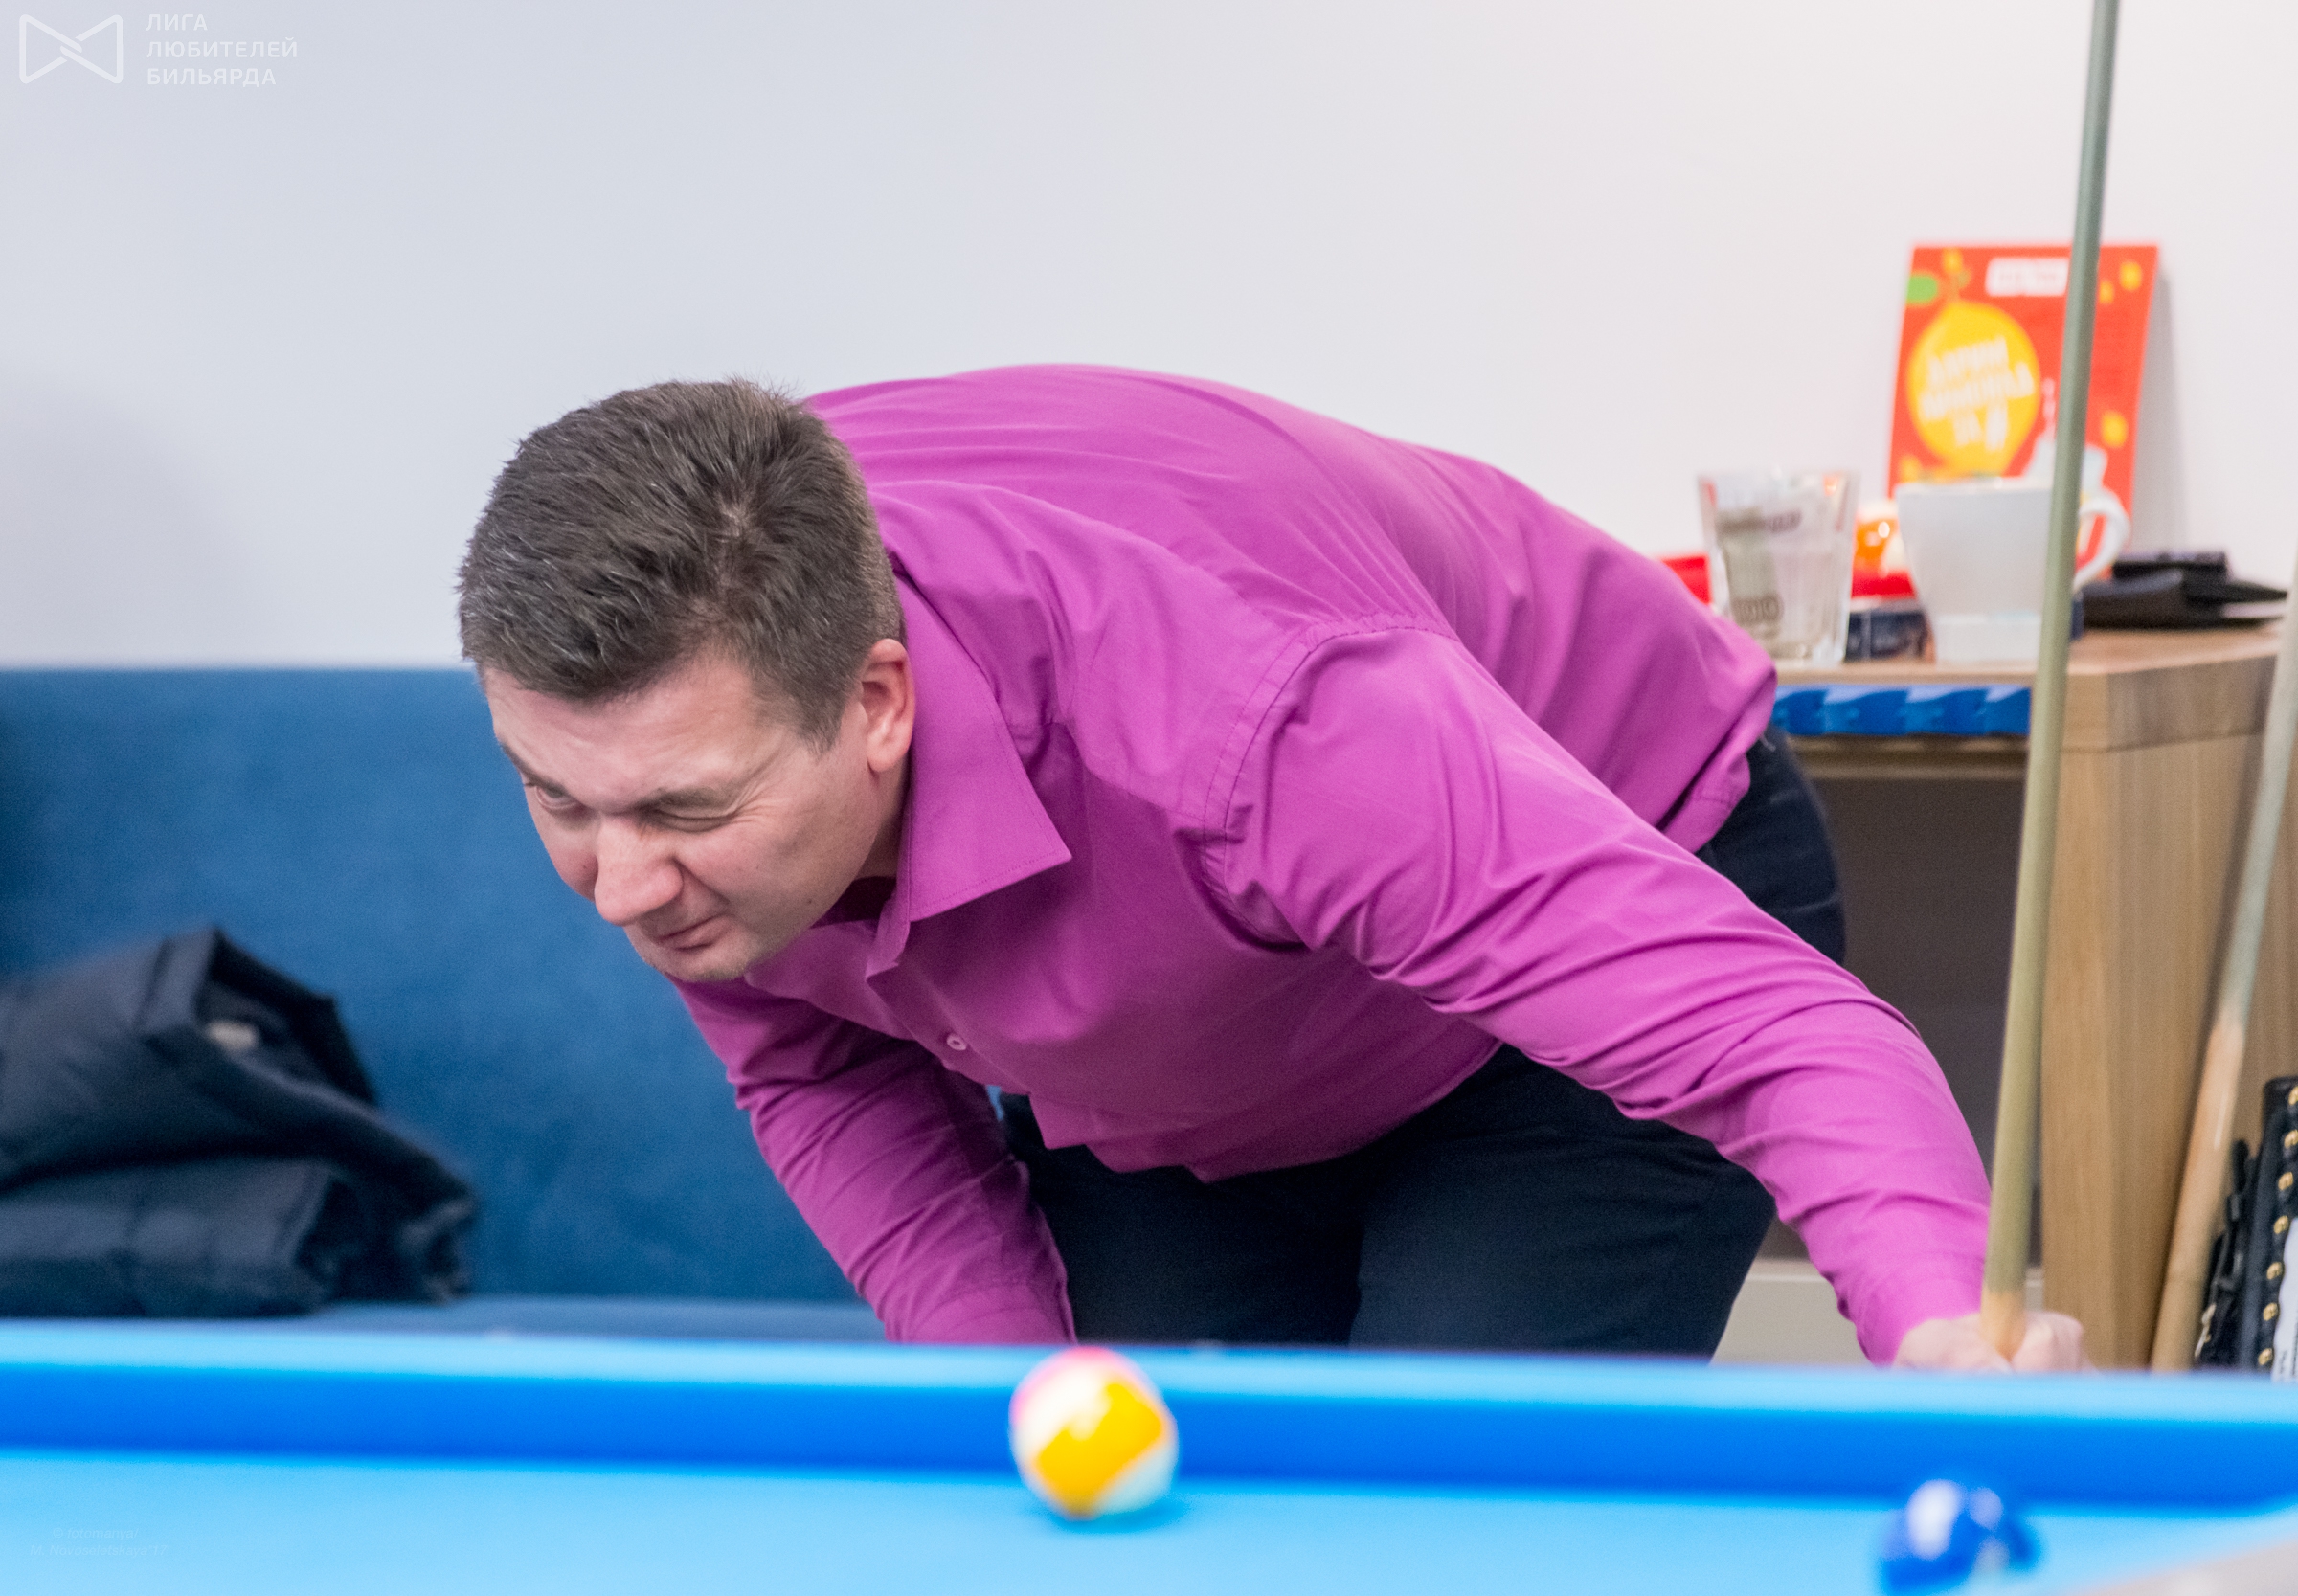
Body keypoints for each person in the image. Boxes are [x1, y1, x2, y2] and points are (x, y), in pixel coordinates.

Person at [459, 364, 2085, 1370]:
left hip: (1581, 929)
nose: (620, 888)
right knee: (1135, 1510)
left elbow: (1770, 1033)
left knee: (1438, 1533)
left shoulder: (1253, 723)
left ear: (877, 706)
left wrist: (1945, 1328)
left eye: (680, 815)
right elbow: (823, 1071)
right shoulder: (698, 730)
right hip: (1194, 1053)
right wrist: (1012, 1397)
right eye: (558, 803)